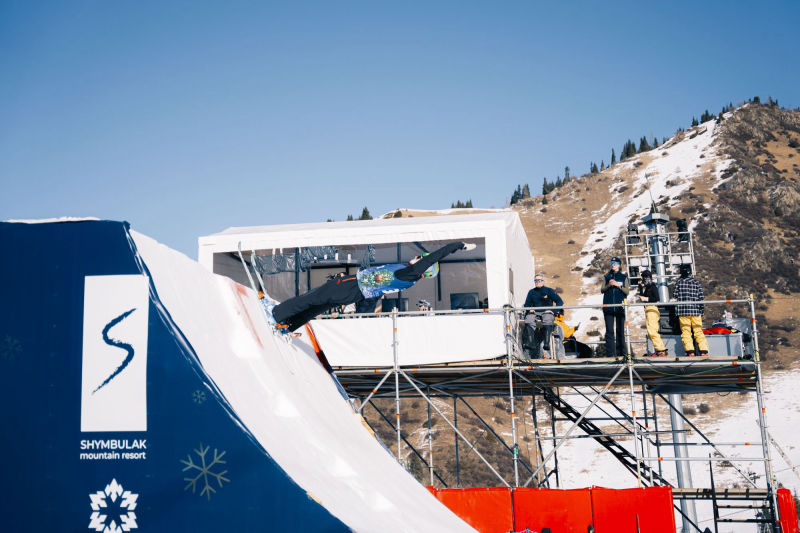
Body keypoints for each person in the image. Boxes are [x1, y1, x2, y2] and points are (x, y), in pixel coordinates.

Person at [272, 242, 475, 330]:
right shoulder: (408, 277)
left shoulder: (410, 273)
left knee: (312, 298)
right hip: (356, 293)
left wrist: (457, 246)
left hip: (351, 285)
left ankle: (278, 314)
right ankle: (289, 324)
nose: (417, 257)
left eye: (420, 258)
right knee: (319, 305)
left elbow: (434, 256)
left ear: (424, 267)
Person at [522, 273, 565, 359]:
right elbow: (526, 304)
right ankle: (531, 343)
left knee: (548, 318)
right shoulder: (531, 292)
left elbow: (560, 301)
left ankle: (546, 343)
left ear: (543, 281)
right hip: (535, 312)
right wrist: (529, 309)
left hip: (546, 312)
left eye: (539, 280)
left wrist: (553, 311)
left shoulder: (549, 291)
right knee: (529, 319)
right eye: (536, 280)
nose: (537, 282)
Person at [673, 264, 709, 357]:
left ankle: (690, 351)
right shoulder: (696, 282)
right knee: (698, 331)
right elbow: (701, 297)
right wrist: (702, 309)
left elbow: (675, 295)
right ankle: (703, 351)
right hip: (695, 311)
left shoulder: (679, 282)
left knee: (686, 332)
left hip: (683, 311)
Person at [601, 256, 629, 357]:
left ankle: (621, 353)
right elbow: (602, 290)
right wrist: (608, 285)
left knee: (620, 330)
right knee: (609, 331)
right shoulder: (606, 277)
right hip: (608, 307)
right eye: (611, 263)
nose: (613, 265)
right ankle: (611, 354)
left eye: (615, 263)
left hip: (620, 307)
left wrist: (618, 285)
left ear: (619, 265)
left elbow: (627, 291)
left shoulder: (623, 277)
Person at [637, 270, 667, 357]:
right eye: (644, 277)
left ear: (650, 277)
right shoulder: (647, 288)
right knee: (651, 332)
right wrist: (640, 288)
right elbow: (643, 298)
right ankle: (658, 350)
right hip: (648, 309)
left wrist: (647, 299)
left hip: (652, 309)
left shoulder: (653, 287)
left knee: (652, 331)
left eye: (647, 277)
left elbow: (656, 298)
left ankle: (661, 350)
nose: (645, 279)